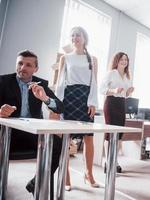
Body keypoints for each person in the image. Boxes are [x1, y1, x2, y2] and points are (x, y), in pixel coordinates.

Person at [0, 50, 63, 200]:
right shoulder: (3, 81)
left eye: (28, 65)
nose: (23, 67)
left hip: (32, 133)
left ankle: (36, 183)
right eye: (20, 63)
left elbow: (60, 107)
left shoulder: (42, 84)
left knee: (57, 144)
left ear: (36, 69)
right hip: (7, 133)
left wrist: (46, 98)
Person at [55, 26, 99, 191]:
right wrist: (57, 105)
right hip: (69, 98)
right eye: (72, 35)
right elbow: (61, 82)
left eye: (78, 35)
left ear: (84, 38)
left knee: (89, 138)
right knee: (66, 138)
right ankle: (66, 176)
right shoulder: (65, 58)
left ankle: (89, 174)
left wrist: (92, 102)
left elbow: (94, 81)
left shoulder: (92, 59)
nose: (75, 38)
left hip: (85, 98)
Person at [100, 52, 134, 173]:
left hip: (121, 105)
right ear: (117, 61)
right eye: (122, 59)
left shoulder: (127, 76)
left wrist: (129, 91)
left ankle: (115, 161)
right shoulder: (111, 73)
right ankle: (108, 161)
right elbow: (102, 89)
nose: (124, 61)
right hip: (111, 104)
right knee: (110, 134)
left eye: (126, 59)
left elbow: (125, 94)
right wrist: (114, 90)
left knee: (118, 134)